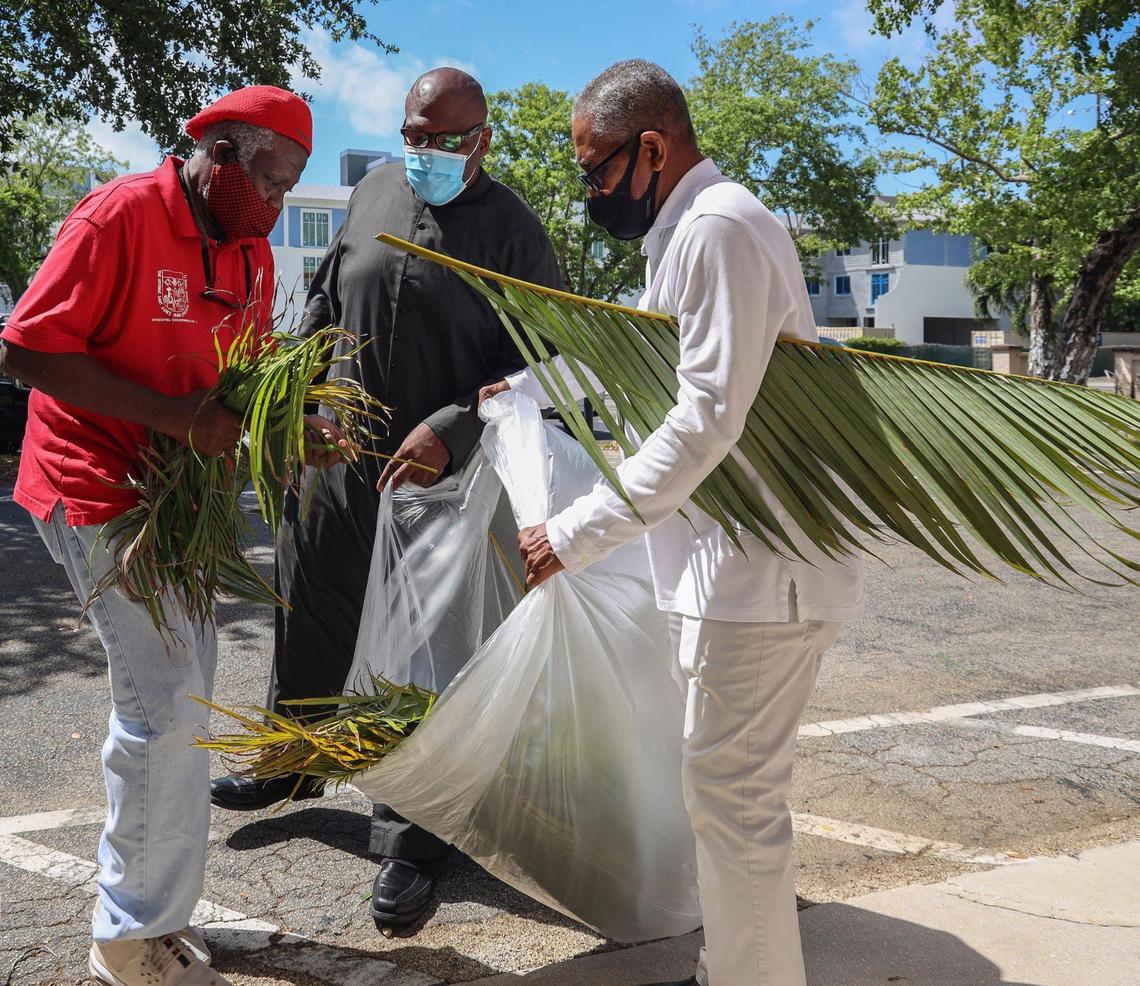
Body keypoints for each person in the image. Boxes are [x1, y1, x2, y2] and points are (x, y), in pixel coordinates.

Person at [482, 60, 865, 986]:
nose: (588, 191)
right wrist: (527, 390)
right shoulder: (683, 235)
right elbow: (640, 364)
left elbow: (704, 414)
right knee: (727, 804)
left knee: (736, 807)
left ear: (652, 147)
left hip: (759, 578)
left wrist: (572, 534)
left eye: (595, 168)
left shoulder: (724, 227)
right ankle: (730, 966)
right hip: (725, 575)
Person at [209, 67, 563, 932]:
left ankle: (413, 835)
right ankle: (293, 757)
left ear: (481, 138)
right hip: (339, 455)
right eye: (413, 134)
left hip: (441, 484)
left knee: (421, 658)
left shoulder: (515, 231)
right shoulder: (371, 190)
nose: (424, 152)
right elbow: (324, 303)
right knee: (313, 603)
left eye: (444, 139)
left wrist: (454, 427)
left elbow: (543, 359)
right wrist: (294, 405)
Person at [0, 87, 338, 986]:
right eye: (274, 179)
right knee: (167, 706)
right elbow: (26, 349)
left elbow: (240, 386)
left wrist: (286, 427)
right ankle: (128, 940)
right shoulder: (120, 214)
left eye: (293, 187)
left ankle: (158, 919)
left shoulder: (254, 252)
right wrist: (175, 420)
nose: (277, 204)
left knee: (188, 689)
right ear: (221, 151)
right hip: (92, 484)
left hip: (169, 498)